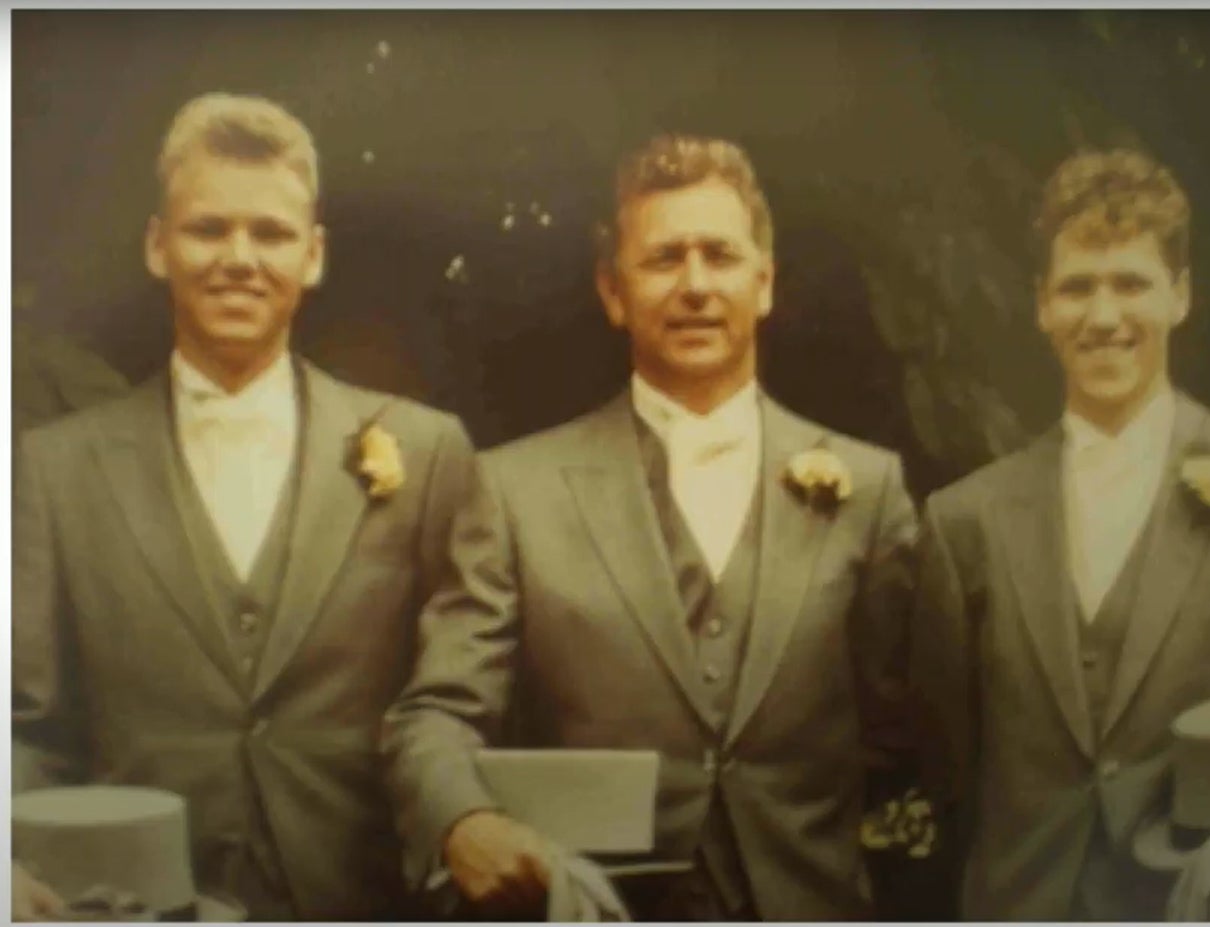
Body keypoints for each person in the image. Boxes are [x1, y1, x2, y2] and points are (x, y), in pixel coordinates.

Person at [382, 134, 919, 920]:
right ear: (613, 291)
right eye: (664, 259)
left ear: (764, 283)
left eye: (720, 256)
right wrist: (463, 817)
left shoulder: (867, 489)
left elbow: (904, 730)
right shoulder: (513, 489)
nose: (696, 284)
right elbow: (437, 711)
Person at [12, 92, 481, 921]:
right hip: (129, 905)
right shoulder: (53, 470)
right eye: (207, 229)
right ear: (159, 246)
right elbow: (26, 722)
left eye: (270, 233)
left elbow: (455, 700)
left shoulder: (429, 450)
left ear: (314, 255)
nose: (239, 257)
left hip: (364, 899)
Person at [910, 148, 1210, 920]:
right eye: (1078, 287)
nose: (1105, 316)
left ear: (1180, 296)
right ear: (1042, 306)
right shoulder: (967, 521)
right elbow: (949, 765)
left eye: (1131, 283)